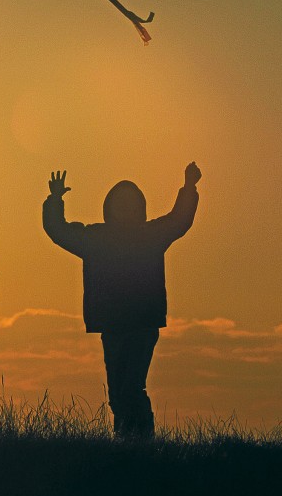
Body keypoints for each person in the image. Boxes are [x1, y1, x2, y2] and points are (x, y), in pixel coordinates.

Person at [43, 162, 201, 438]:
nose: (125, 209)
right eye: (120, 204)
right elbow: (60, 231)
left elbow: (180, 220)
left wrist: (189, 188)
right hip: (113, 325)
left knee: (131, 386)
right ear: (109, 208)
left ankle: (143, 441)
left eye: (130, 204)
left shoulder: (149, 235)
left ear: (140, 208)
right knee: (117, 392)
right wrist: (55, 200)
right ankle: (126, 442)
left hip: (141, 325)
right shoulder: (98, 238)